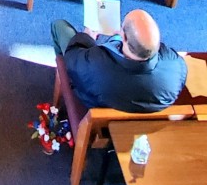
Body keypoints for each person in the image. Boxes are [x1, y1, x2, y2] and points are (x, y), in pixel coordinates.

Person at [51, 9, 187, 113]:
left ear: (124, 37)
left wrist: (86, 37)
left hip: (97, 105)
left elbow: (73, 58)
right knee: (114, 42)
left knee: (59, 26)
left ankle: (60, 74)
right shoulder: (175, 66)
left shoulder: (95, 63)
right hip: (134, 117)